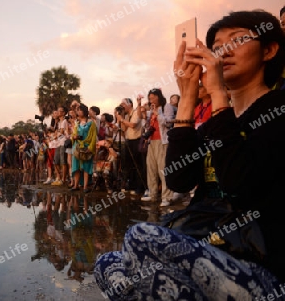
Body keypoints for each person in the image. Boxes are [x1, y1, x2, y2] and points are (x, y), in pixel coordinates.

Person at [94, 9, 285, 300]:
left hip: (260, 261)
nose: (224, 51)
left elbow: (240, 185)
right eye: (218, 47)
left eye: (238, 40)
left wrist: (219, 96)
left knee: (141, 238)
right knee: (107, 264)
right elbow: (180, 180)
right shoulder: (213, 123)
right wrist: (187, 98)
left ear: (269, 50)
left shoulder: (277, 108)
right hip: (208, 243)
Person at [140, 88, 175, 206]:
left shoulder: (167, 107)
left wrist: (158, 114)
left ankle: (167, 197)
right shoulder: (151, 109)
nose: (151, 100)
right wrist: (146, 117)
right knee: (151, 169)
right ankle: (153, 193)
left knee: (163, 169)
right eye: (149, 98)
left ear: (159, 96)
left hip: (162, 141)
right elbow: (147, 126)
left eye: (153, 97)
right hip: (151, 142)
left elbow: (169, 122)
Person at [69, 103, 97, 193]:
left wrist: (90, 147)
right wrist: (74, 137)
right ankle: (76, 185)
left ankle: (85, 186)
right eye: (78, 110)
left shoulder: (91, 123)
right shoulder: (77, 123)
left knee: (86, 166)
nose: (78, 111)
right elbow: (73, 134)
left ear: (84, 111)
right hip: (77, 147)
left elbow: (93, 136)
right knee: (76, 166)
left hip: (86, 147)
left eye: (80, 110)